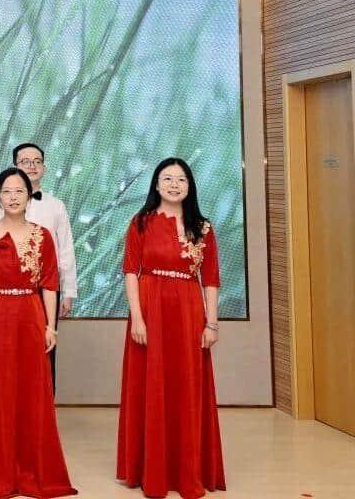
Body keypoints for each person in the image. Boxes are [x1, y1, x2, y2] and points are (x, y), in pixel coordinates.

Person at [0, 167, 77, 498]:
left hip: (31, 317)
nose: (13, 197)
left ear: (29, 196)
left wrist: (50, 326)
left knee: (32, 395)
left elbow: (50, 284)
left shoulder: (43, 236)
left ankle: (32, 471)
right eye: (6, 191)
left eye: (19, 191)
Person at [117, 158, 225, 499]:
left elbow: (210, 279)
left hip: (189, 314)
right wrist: (137, 317)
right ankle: (149, 470)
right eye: (167, 178)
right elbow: (131, 271)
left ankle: (187, 470)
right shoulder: (141, 222)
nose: (174, 184)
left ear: (190, 186)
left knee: (186, 388)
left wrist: (211, 323)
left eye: (181, 179)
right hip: (150, 310)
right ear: (156, 184)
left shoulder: (203, 228)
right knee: (150, 387)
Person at [0, 143, 77, 391]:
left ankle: (44, 405)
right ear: (15, 167)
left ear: (44, 168)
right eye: (25, 162)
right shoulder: (2, 205)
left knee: (45, 348)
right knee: (11, 348)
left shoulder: (56, 205)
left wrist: (68, 291)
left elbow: (66, 249)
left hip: (46, 288)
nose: (31, 166)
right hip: (9, 290)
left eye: (37, 161)